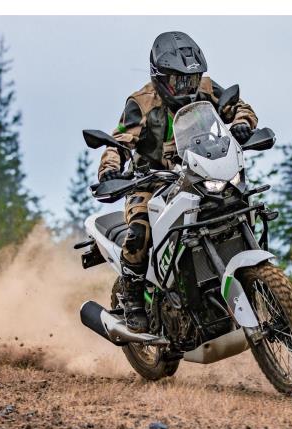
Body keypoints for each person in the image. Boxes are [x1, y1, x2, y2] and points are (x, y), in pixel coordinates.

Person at [97, 31, 258, 333]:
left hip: (200, 173)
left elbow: (241, 107)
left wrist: (241, 125)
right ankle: (132, 297)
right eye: (179, 81)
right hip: (152, 183)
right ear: (160, 78)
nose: (188, 86)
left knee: (240, 201)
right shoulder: (142, 102)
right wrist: (110, 169)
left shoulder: (206, 88)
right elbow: (119, 142)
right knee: (139, 231)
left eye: (192, 79)